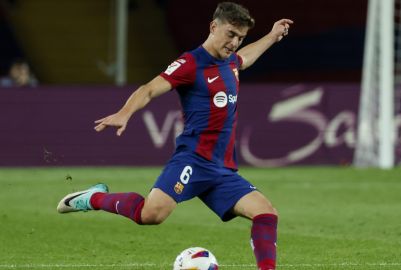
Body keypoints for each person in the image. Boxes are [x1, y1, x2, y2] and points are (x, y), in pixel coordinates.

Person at [57, 2, 292, 270]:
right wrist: (125, 112)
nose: (234, 43)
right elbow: (148, 89)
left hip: (221, 169)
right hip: (192, 161)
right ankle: (93, 198)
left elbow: (245, 58)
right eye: (230, 34)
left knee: (266, 214)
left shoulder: (231, 62)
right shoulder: (190, 63)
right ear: (213, 27)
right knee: (151, 215)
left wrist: (272, 36)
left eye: (240, 37)